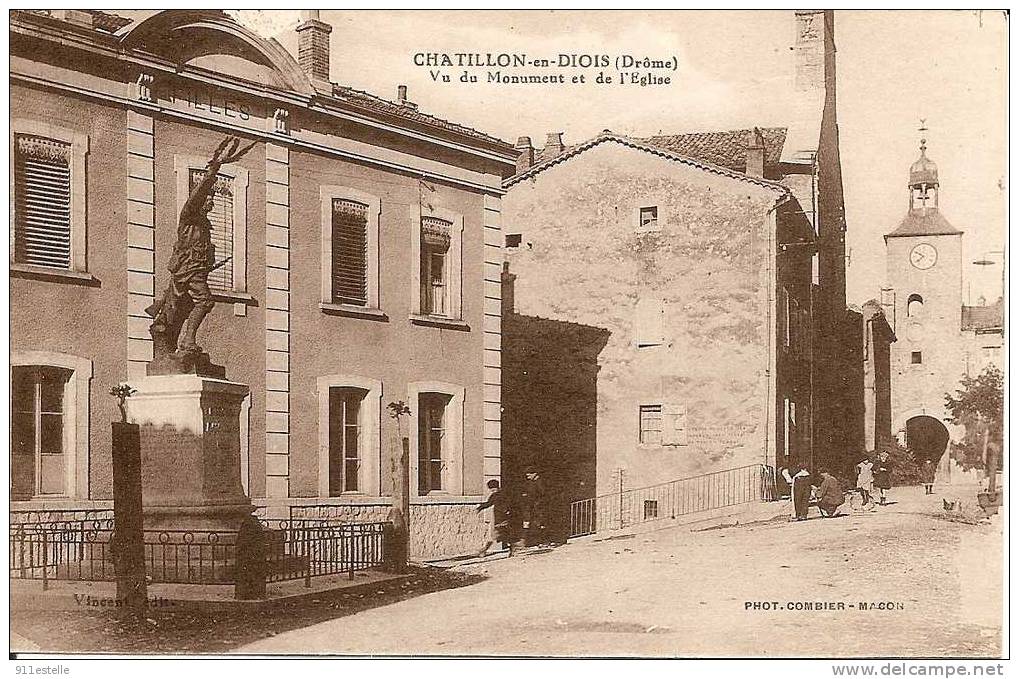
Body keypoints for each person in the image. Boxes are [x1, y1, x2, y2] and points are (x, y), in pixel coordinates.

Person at [147, 136, 255, 355]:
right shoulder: (188, 216)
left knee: (182, 308)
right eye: (208, 199)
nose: (211, 202)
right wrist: (212, 173)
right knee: (205, 302)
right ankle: (187, 342)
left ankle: (178, 340)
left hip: (194, 271)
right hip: (187, 271)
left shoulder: (204, 225)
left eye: (212, 198)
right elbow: (196, 196)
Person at [475, 479, 510, 557]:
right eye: (491, 490)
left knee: (497, 534)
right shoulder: (495, 495)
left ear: (497, 487)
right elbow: (489, 503)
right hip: (498, 517)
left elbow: (509, 504)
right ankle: (484, 549)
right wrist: (480, 508)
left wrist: (507, 511)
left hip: (504, 517)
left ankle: (484, 550)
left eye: (494, 489)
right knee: (497, 534)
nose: (493, 491)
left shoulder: (504, 494)